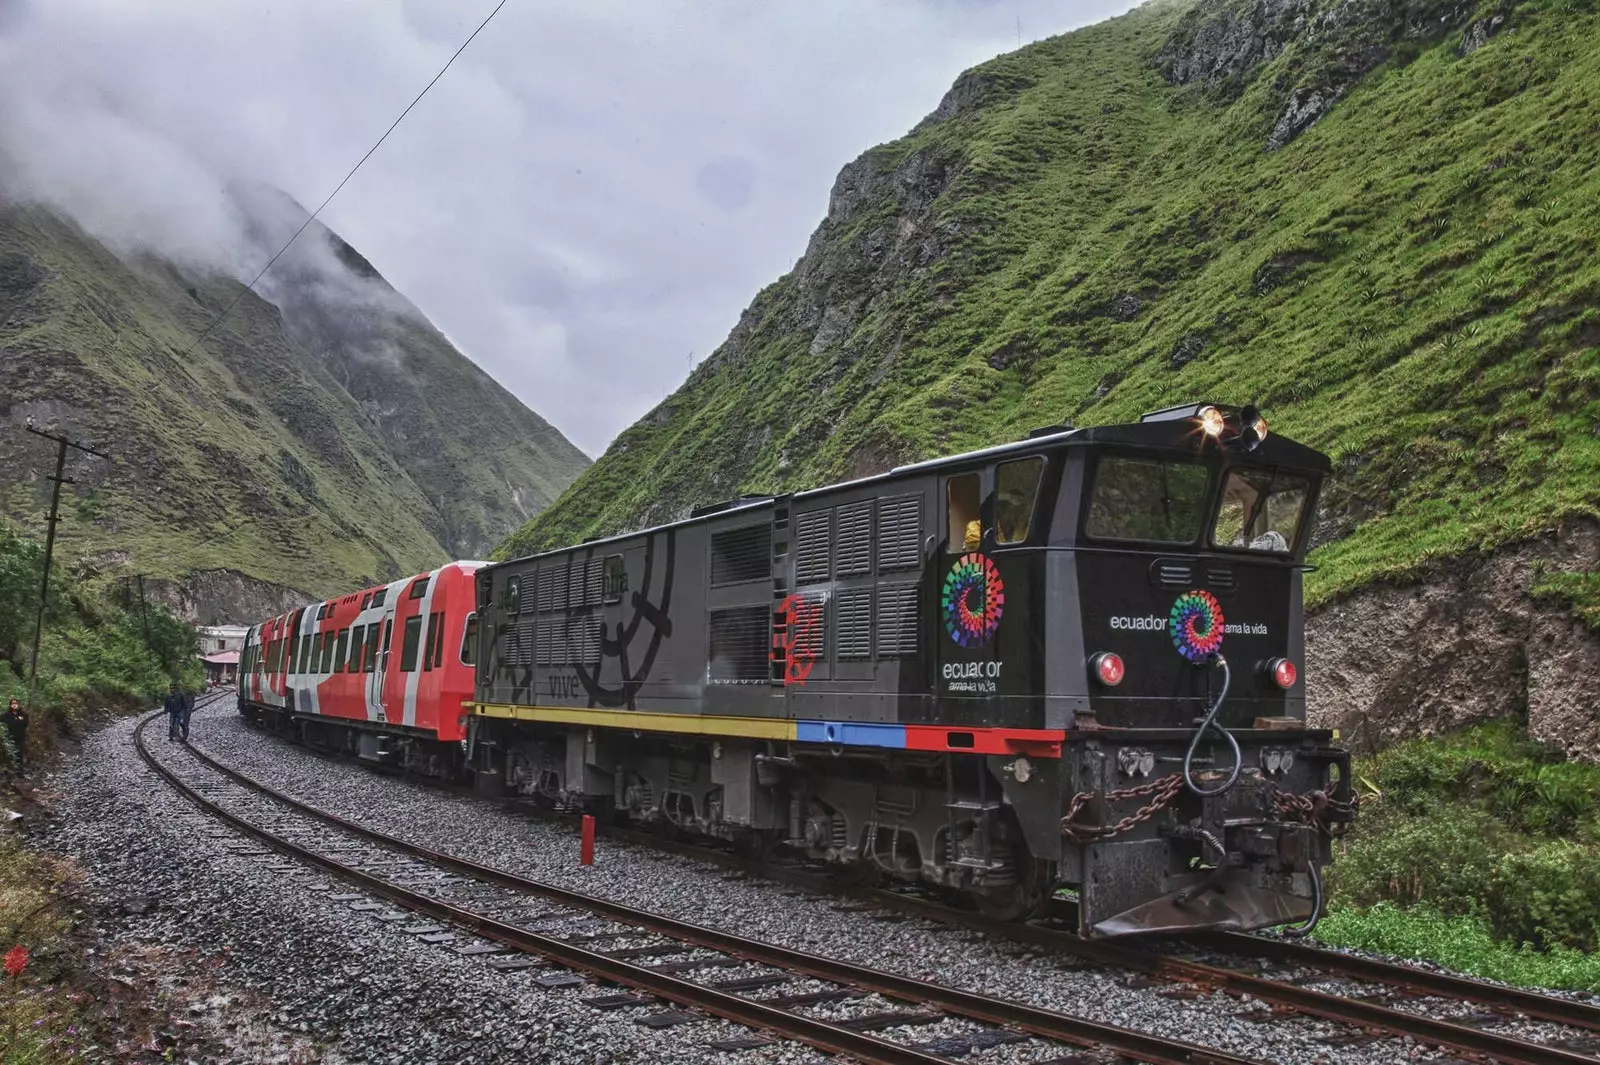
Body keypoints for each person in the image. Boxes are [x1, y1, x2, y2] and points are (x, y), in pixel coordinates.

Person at [2, 698, 27, 775]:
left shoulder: (24, 714)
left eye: (16, 703)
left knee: (20, 755)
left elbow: (26, 724)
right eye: (13, 703)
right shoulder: (6, 715)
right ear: (10, 705)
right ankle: (10, 773)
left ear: (19, 705)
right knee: (10, 756)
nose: (14, 705)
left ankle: (20, 773)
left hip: (20, 738)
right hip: (10, 739)